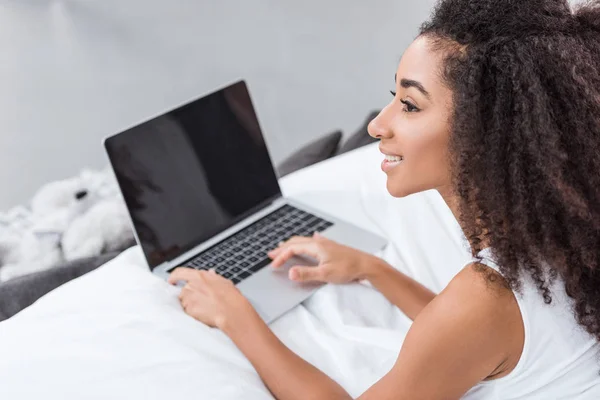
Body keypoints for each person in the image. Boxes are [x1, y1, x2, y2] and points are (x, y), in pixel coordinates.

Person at [168, 0, 600, 398]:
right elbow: (478, 340)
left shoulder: (484, 298)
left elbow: (469, 325)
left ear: (486, 135)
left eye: (410, 105)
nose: (377, 125)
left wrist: (237, 319)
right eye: (393, 96)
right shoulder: (564, 246)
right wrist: (373, 270)